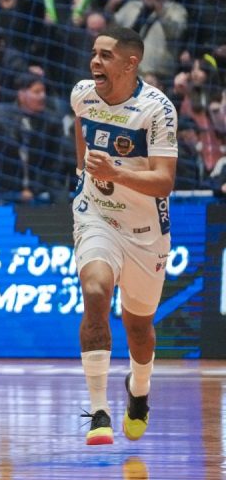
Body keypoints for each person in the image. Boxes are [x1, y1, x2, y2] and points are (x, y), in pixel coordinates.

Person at [70, 26, 177, 446]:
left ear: (131, 63)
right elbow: (80, 129)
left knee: (139, 328)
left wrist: (114, 172)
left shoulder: (157, 108)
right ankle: (98, 412)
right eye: (94, 53)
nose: (95, 62)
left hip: (145, 231)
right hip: (96, 216)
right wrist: (83, 173)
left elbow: (164, 181)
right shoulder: (83, 94)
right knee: (95, 291)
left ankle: (140, 390)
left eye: (106, 55)